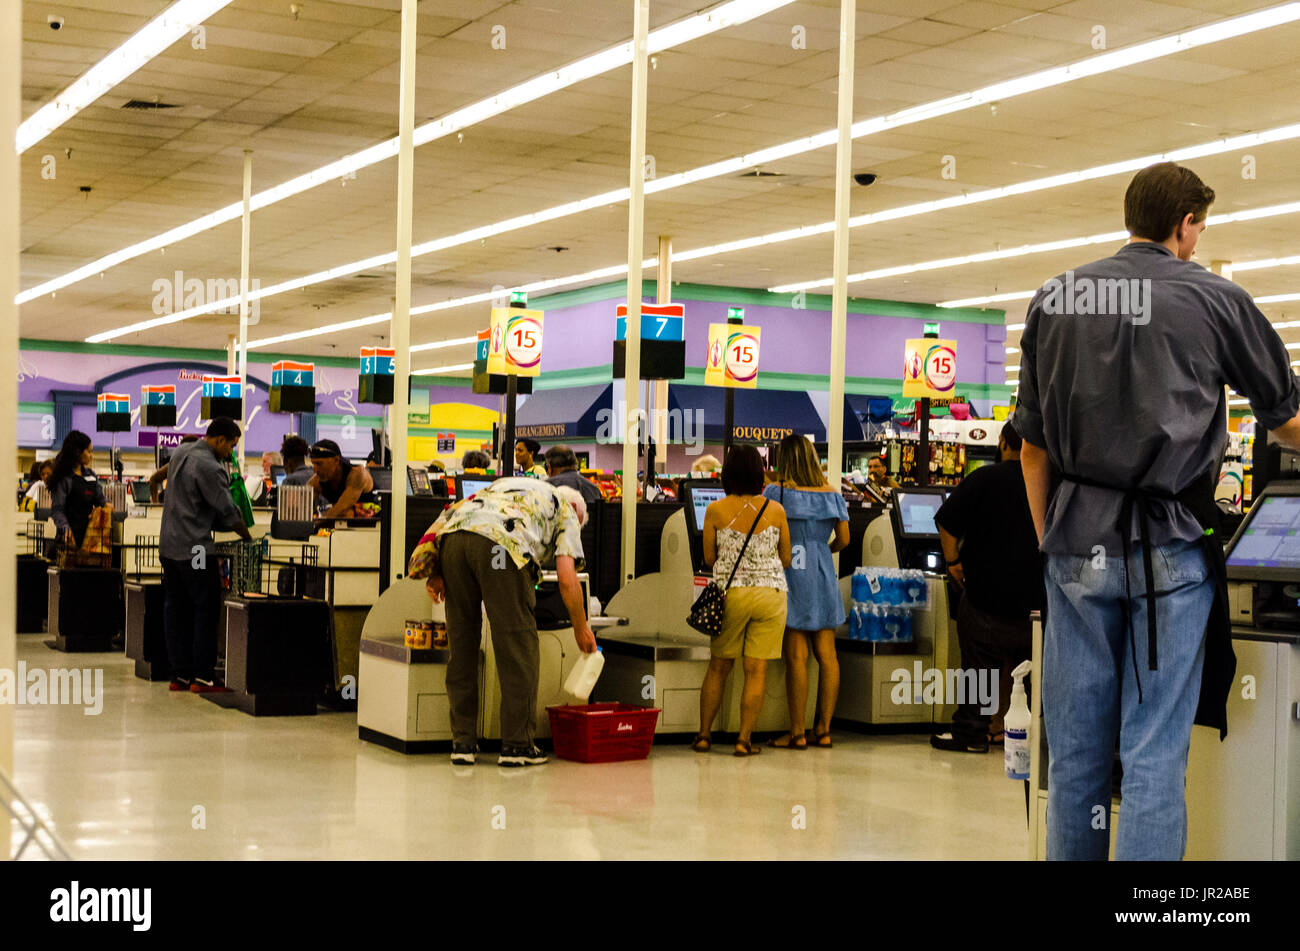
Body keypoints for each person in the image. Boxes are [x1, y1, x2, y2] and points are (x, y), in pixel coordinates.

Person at [1015, 161, 1300, 861]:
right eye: (1199, 226)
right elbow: (1286, 418)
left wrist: (1053, 539)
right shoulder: (1216, 299)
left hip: (1075, 544)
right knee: (1152, 754)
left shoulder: (1055, 298)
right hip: (1169, 547)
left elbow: (1031, 449)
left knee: (1076, 756)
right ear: (1185, 223)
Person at [425, 479, 596, 767]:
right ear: (578, 512)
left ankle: (462, 743)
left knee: (462, 644)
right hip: (502, 547)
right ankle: (517, 746)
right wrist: (581, 627)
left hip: (453, 541)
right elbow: (568, 579)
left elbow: (454, 513)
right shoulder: (566, 509)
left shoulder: (510, 486)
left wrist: (437, 569)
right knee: (518, 648)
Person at [930, 421, 1043, 754]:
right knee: (1029, 673)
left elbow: (946, 521)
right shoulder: (1049, 482)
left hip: (985, 598)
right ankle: (1026, 736)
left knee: (979, 669)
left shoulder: (984, 479)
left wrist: (953, 562)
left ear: (1004, 442)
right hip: (1035, 601)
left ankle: (972, 734)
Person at [694, 445, 791, 757]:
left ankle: (705, 735)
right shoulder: (776, 511)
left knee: (718, 667)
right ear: (759, 474)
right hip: (770, 594)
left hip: (731, 594)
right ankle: (744, 740)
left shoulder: (715, 510)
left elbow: (709, 558)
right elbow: (786, 558)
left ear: (728, 474)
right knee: (756, 670)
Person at [763, 434, 849, 750]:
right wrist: (823, 550)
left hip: (790, 572)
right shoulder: (832, 495)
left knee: (796, 656)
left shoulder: (776, 492)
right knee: (828, 656)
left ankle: (797, 732)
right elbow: (845, 539)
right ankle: (823, 730)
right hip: (823, 572)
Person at [159, 418, 252, 693]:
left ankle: (180, 676)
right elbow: (226, 509)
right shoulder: (210, 466)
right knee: (205, 607)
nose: (230, 453)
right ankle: (202, 677)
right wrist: (247, 535)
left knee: (175, 609)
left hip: (168, 547)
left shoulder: (180, 452)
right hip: (195, 549)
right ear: (220, 439)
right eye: (231, 446)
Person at [48, 432, 106, 550]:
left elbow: (101, 500)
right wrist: (66, 529)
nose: (91, 456)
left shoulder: (91, 476)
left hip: (89, 539)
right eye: (89, 452)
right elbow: (57, 510)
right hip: (68, 541)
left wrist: (106, 506)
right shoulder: (64, 478)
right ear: (77, 452)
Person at [308, 439, 375, 519]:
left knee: (346, 513)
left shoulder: (357, 474)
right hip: (343, 524)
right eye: (313, 464)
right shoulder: (315, 482)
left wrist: (316, 522)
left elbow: (341, 508)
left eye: (319, 464)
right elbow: (303, 510)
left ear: (336, 460)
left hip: (373, 522)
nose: (315, 470)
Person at [147, 435, 200, 502]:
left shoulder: (174, 465)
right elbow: (153, 479)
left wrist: (155, 504)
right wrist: (155, 504)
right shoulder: (175, 465)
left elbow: (153, 479)